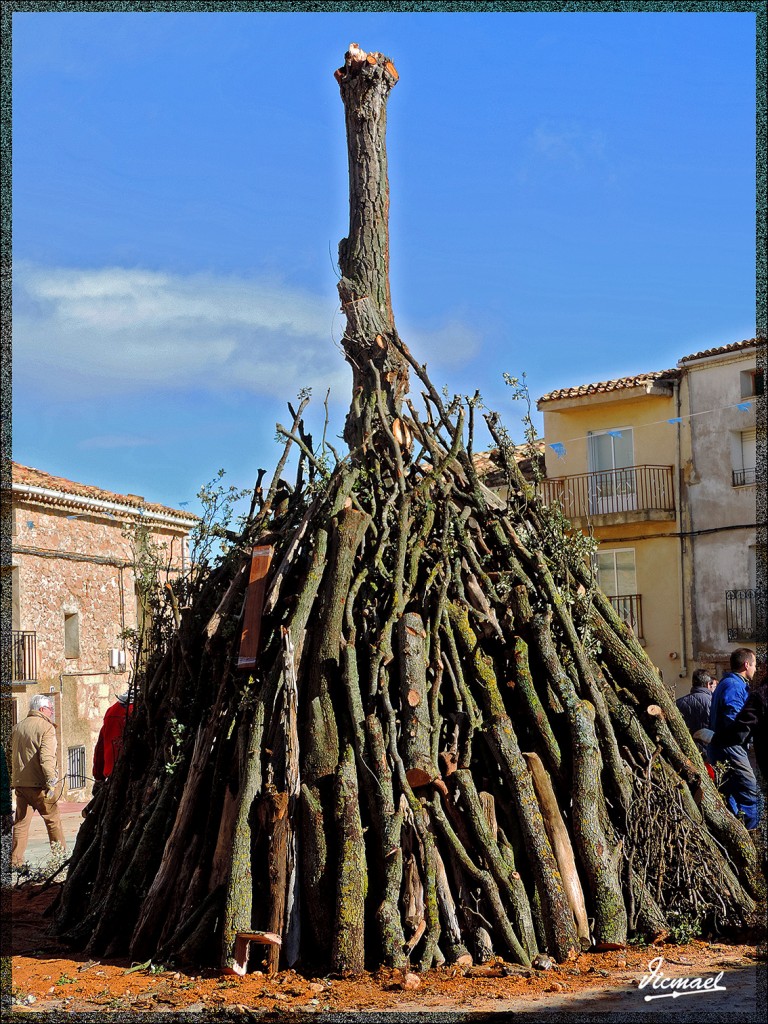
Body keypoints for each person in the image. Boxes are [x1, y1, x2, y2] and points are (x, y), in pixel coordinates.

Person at [10, 694, 66, 868]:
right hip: (39, 785)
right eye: (50, 709)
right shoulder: (46, 728)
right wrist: (51, 782)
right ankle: (60, 861)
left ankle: (15, 863)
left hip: (21, 783)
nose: (52, 712)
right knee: (53, 820)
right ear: (42, 709)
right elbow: (47, 758)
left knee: (21, 824)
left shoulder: (18, 727)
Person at [708, 647, 759, 829]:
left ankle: (733, 832)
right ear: (746, 664)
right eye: (754, 665)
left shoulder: (726, 683)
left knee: (729, 795)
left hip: (721, 746)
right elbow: (734, 719)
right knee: (750, 792)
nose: (755, 669)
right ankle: (750, 835)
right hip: (730, 746)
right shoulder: (734, 686)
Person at [92, 691, 133, 787]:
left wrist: (98, 776)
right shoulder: (139, 709)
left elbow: (100, 747)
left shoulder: (112, 711)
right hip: (132, 774)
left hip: (112, 775)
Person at [676, 669, 717, 753]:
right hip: (711, 750)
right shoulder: (714, 702)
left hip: (686, 751)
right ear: (708, 684)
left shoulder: (679, 703)